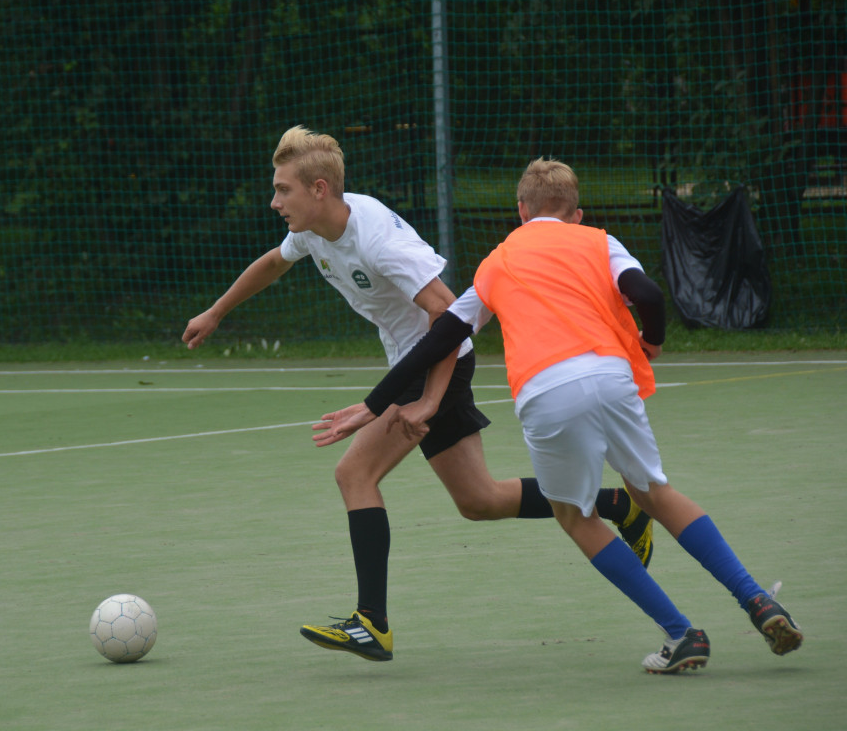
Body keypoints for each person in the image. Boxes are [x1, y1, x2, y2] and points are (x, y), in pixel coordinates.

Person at [313, 157, 804, 673]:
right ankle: (756, 600)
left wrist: (374, 405)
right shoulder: (598, 241)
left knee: (576, 516)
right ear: (576, 213)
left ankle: (682, 633)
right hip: (614, 377)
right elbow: (649, 294)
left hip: (547, 391)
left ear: (520, 210)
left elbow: (439, 338)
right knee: (657, 493)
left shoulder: (498, 261)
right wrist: (652, 340)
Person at [183, 128, 653, 662]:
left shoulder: (380, 239)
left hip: (435, 360)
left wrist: (428, 399)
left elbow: (449, 314)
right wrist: (216, 312)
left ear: (318, 189)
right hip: (416, 361)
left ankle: (371, 623)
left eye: (282, 190)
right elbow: (273, 262)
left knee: (354, 473)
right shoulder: (314, 229)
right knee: (479, 500)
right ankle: (618, 505)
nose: (274, 201)